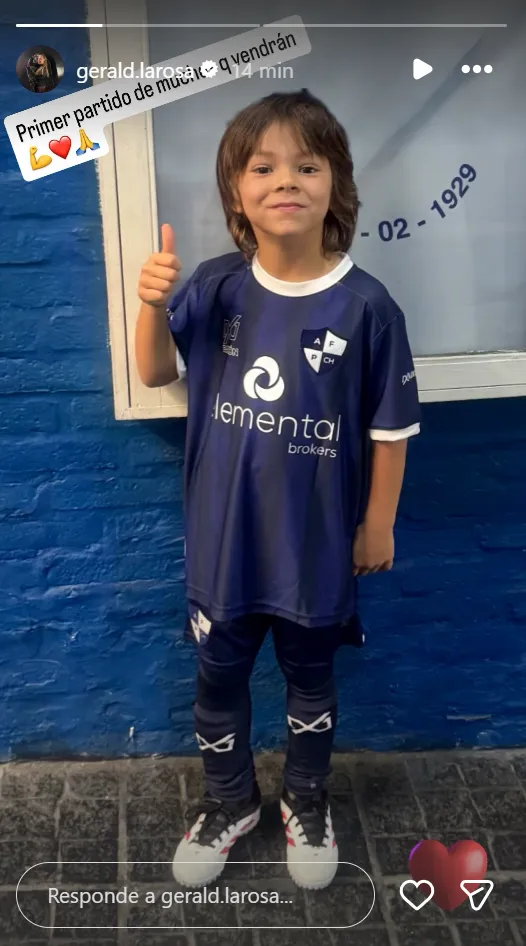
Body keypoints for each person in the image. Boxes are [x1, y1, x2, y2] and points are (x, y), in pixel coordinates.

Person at [134, 88, 421, 891]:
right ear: (237, 192)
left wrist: (378, 525)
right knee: (218, 679)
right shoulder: (217, 286)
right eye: (263, 167)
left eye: (307, 165)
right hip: (224, 546)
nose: (285, 179)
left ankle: (305, 798)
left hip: (317, 551)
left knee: (311, 683)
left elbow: (391, 431)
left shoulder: (369, 309)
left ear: (337, 186)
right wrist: (151, 305)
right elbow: (154, 372)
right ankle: (229, 802)